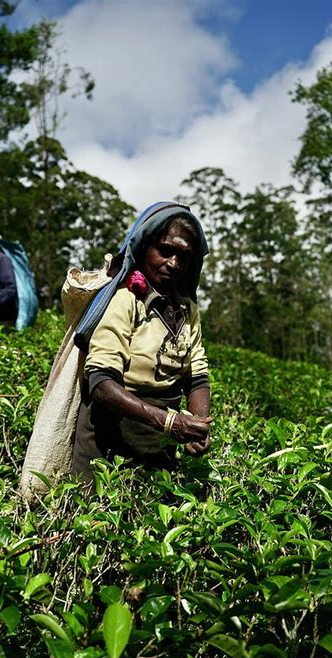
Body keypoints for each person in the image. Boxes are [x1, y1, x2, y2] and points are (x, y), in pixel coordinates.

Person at [71, 203, 212, 483]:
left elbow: (196, 376)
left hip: (156, 442)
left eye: (183, 256)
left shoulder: (187, 309)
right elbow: (101, 383)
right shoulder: (125, 300)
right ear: (145, 248)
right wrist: (170, 422)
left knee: (150, 519)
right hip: (109, 438)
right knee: (96, 518)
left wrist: (198, 424)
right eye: (165, 251)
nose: (173, 263)